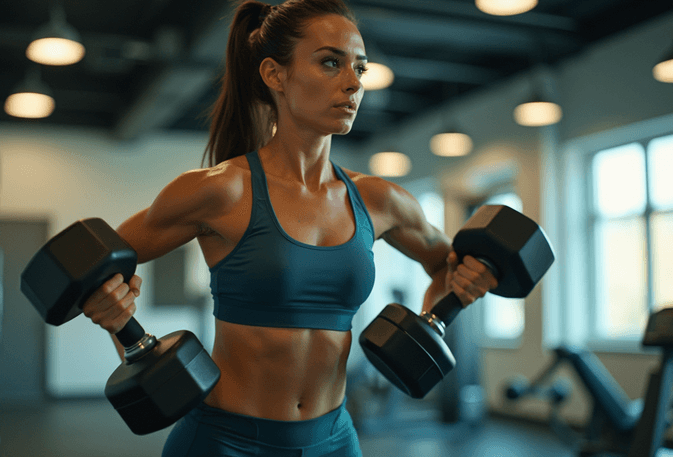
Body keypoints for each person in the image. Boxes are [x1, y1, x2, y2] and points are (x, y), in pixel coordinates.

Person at [81, 0, 498, 455]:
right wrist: (117, 321)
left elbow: (451, 266)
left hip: (335, 440)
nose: (354, 82)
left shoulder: (381, 201)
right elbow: (94, 266)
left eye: (360, 67)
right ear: (275, 75)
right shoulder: (220, 192)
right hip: (225, 441)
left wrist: (444, 306)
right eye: (330, 63)